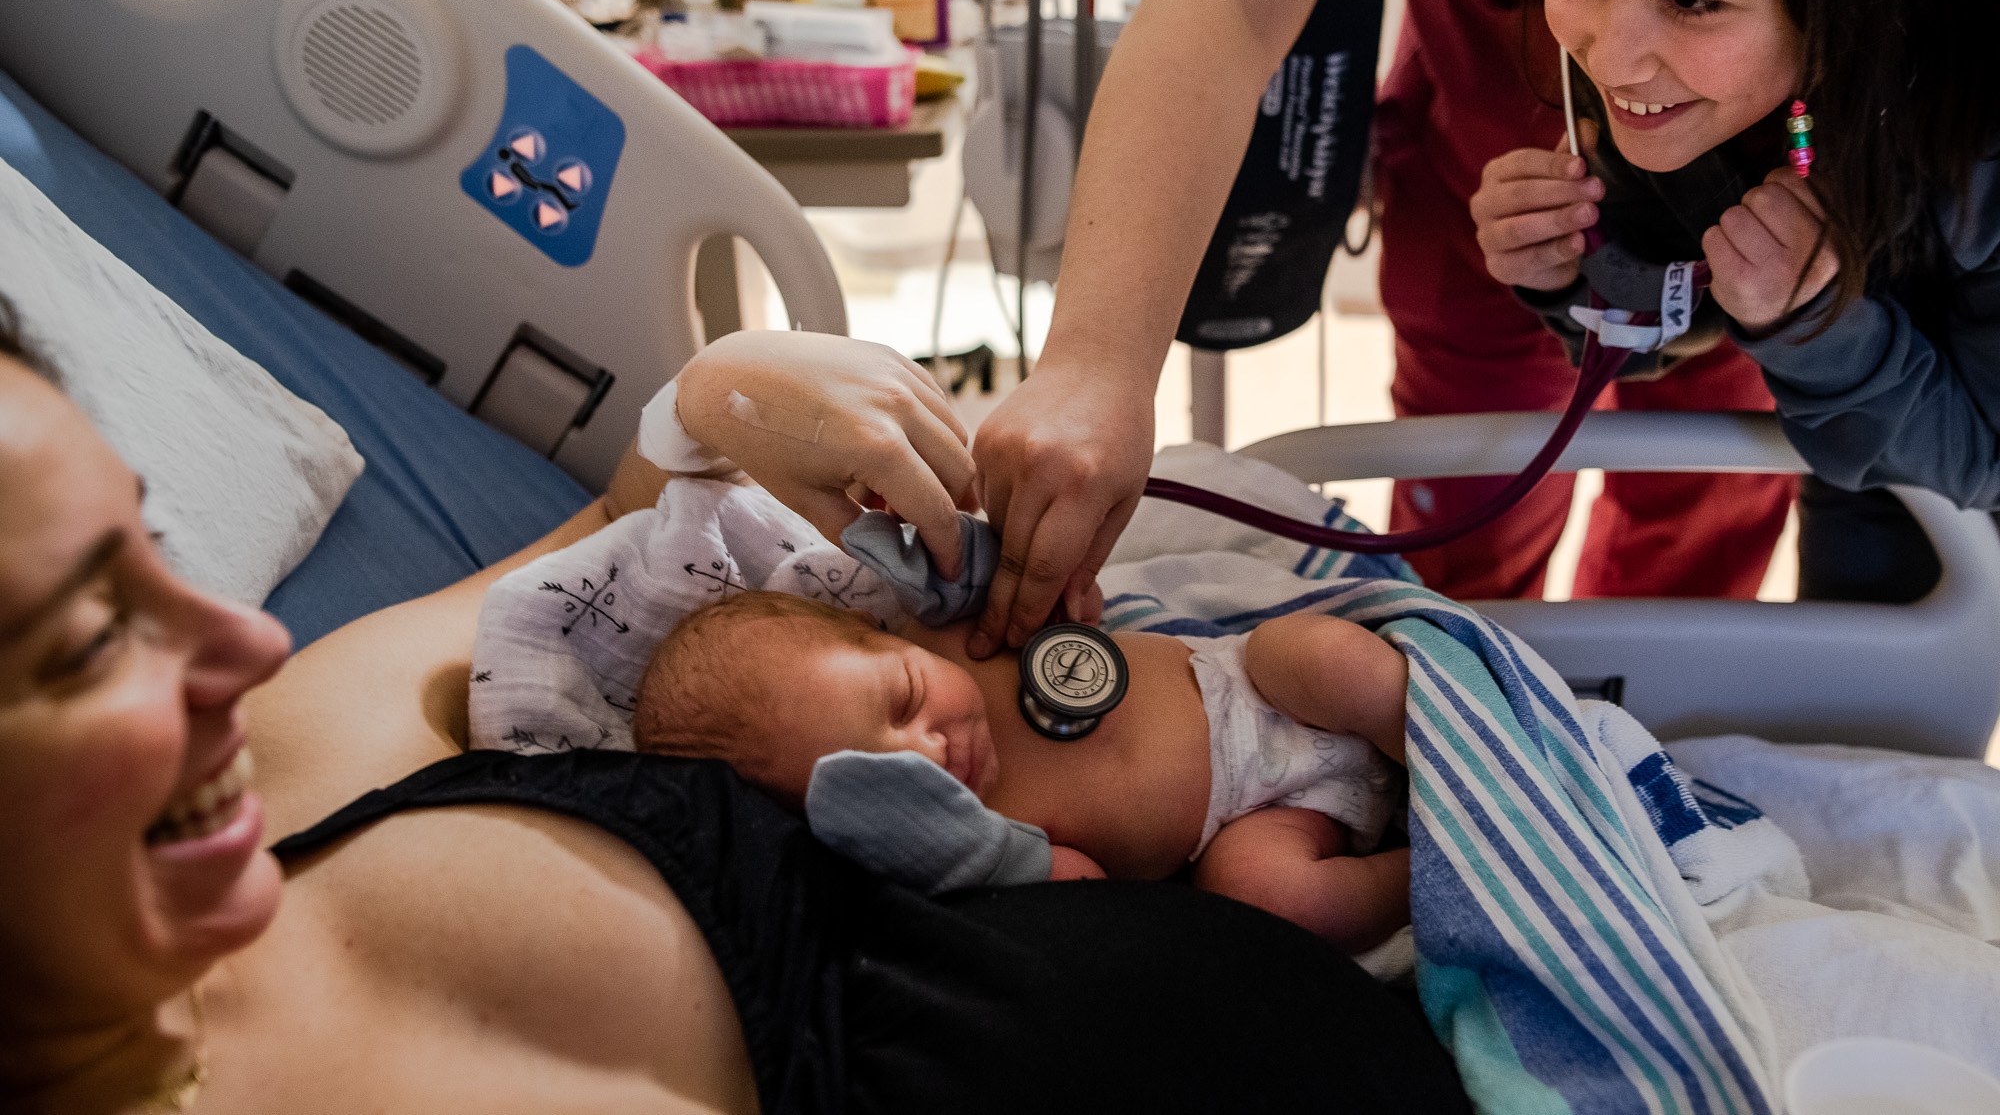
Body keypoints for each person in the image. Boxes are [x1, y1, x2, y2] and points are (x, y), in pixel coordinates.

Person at [0, 307, 1470, 1113]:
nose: (246, 635)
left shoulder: (303, 763)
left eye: (156, 548)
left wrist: (721, 392)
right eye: (85, 640)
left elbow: (612, 528)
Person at [968, 0, 1794, 659]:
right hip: (1478, 183)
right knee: (1465, 561)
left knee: (1702, 524)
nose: (1621, 56)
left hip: (1760, 204)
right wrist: (1097, 360)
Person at [1470, 0, 2000, 599]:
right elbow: (1689, 299)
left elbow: (1987, 458)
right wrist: (1579, 270)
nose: (1609, 59)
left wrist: (1816, 331)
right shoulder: (1708, 93)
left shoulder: (1975, 137)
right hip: (1876, 446)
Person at [635, 588, 1412, 952]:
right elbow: (1089, 891)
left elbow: (1040, 575)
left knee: (1333, 659)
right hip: (1251, 826)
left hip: (1254, 683)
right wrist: (999, 863)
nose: (927, 748)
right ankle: (1431, 869)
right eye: (885, 782)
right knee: (1273, 905)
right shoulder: (967, 853)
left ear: (883, 630)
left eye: (905, 695)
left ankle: (1438, 745)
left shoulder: (950, 627)